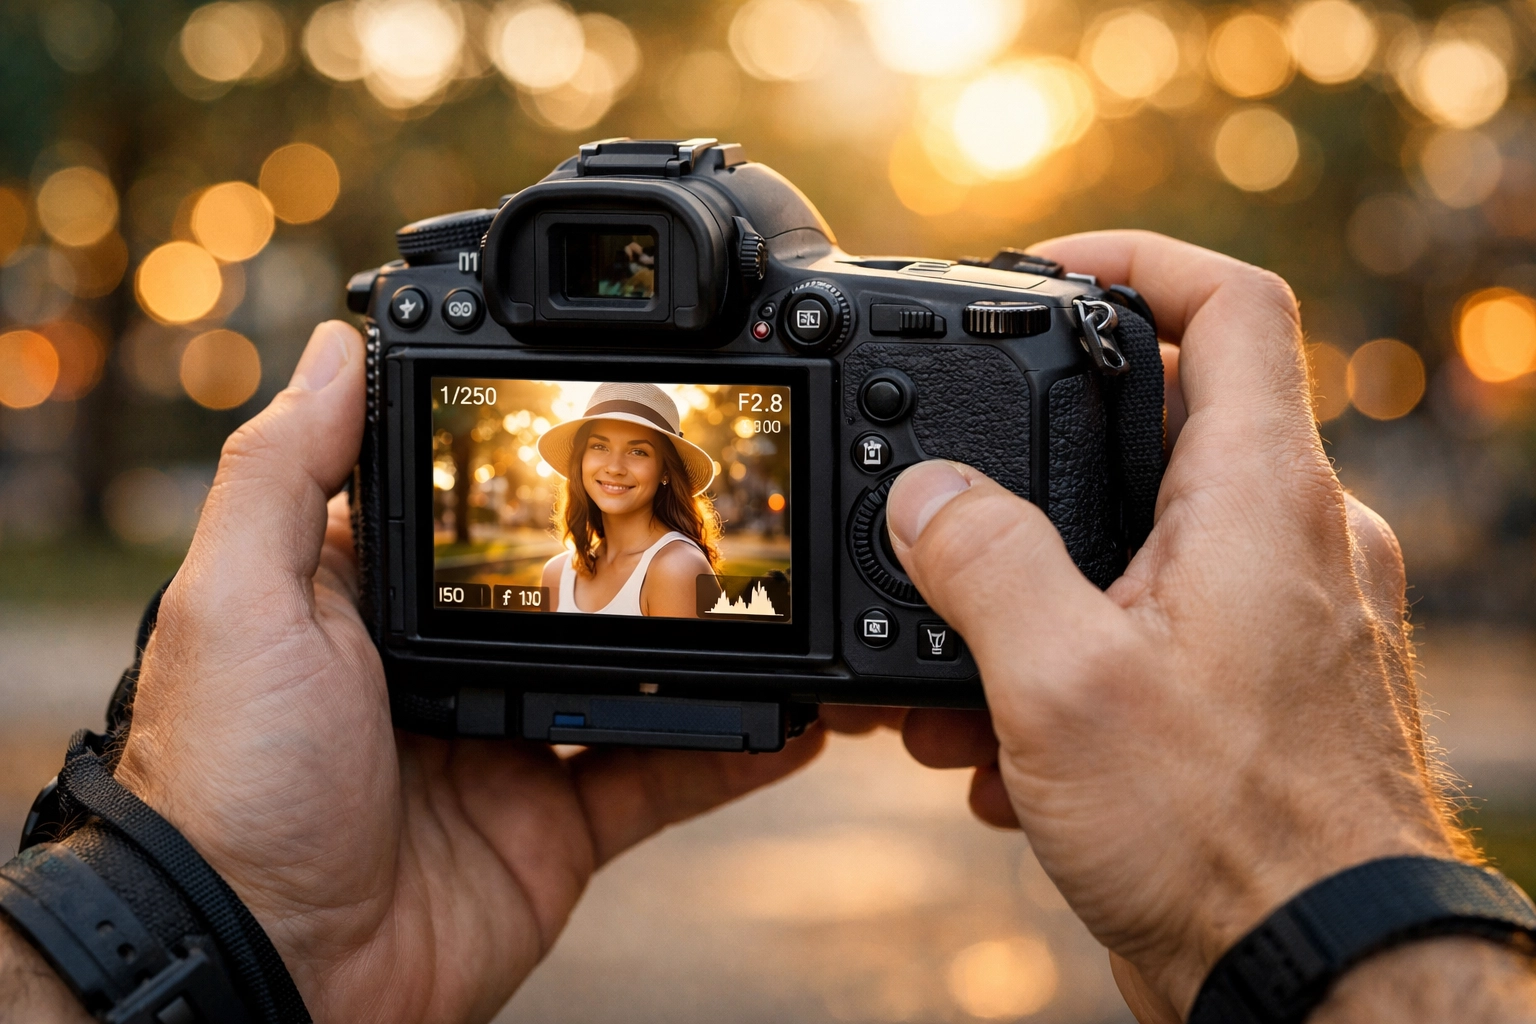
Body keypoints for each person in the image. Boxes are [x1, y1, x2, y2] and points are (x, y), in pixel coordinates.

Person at [4, 232, 1535, 1023]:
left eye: (634, 447)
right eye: (592, 445)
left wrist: (1275, 884)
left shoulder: (676, 563)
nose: (612, 464)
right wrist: (223, 924)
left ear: (667, 465)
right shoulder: (561, 553)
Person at [537, 382, 720, 618]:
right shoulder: (556, 573)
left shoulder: (678, 568)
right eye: (599, 446)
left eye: (638, 451)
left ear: (665, 470)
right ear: (581, 460)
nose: (614, 468)